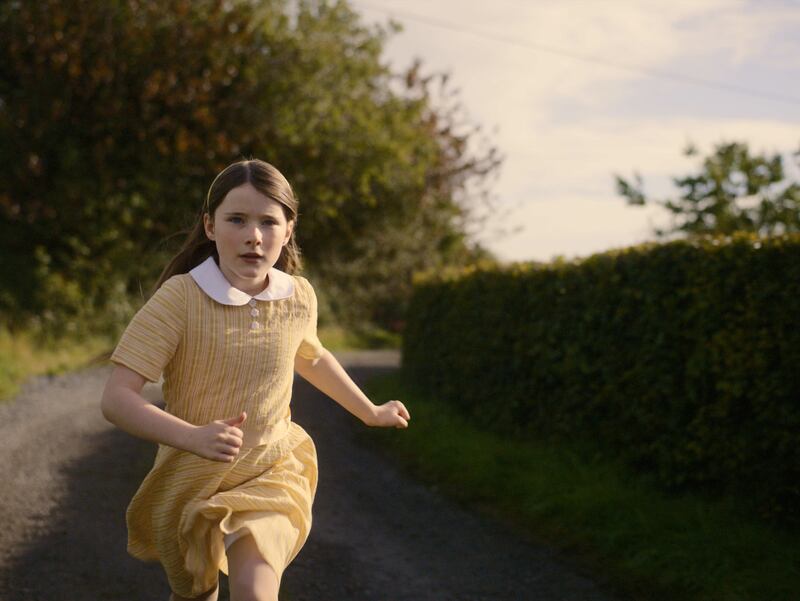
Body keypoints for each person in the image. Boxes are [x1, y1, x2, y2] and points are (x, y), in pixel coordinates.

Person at [100, 158, 411, 601]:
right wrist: (193, 437)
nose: (254, 235)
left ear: (288, 230)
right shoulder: (180, 299)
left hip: (272, 469)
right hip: (191, 477)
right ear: (210, 226)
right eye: (237, 220)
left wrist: (371, 411)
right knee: (196, 593)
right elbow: (116, 399)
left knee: (255, 590)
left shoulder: (298, 296)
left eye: (268, 221)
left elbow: (312, 356)